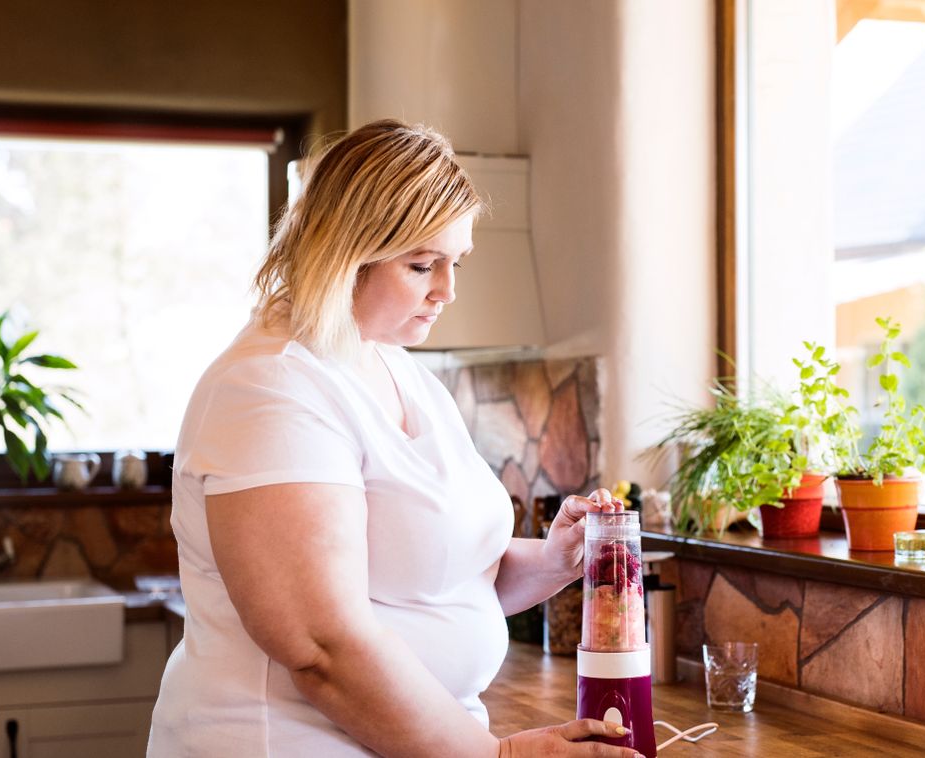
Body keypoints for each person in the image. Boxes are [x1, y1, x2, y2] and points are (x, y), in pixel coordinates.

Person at [147, 120, 642, 758]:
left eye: (455, 262)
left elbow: (446, 578)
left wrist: (554, 561)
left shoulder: (391, 364)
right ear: (344, 251)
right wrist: (502, 756)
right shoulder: (270, 389)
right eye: (421, 264)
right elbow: (321, 647)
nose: (448, 290)